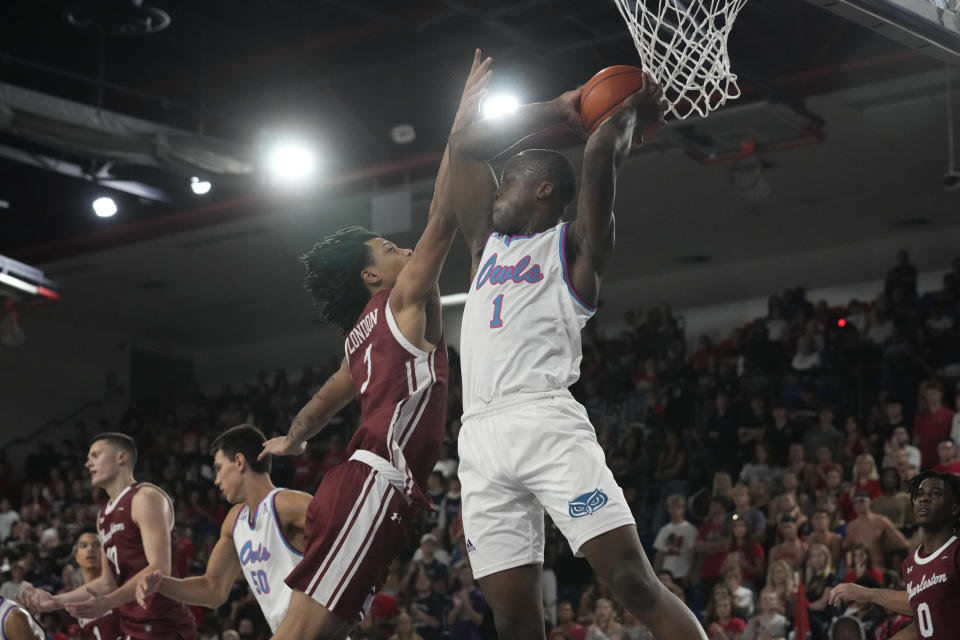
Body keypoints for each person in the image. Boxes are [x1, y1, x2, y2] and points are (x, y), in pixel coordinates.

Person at [447, 58, 701, 640]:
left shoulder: (576, 247)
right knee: (511, 615)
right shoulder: (483, 246)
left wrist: (626, 109)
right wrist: (558, 108)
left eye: (506, 184)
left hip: (543, 421)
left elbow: (598, 151)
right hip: (478, 437)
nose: (494, 197)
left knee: (632, 582)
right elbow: (463, 148)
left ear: (540, 189)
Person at [256, 51, 491, 640]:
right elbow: (441, 214)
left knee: (312, 632)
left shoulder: (360, 336)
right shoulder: (405, 299)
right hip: (375, 483)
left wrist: (297, 436)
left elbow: (323, 401)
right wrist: (460, 126)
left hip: (359, 482)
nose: (402, 250)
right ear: (372, 277)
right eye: (388, 247)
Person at [18, 433, 197, 639]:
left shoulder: (145, 497)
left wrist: (109, 602)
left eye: (95, 455)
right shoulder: (103, 516)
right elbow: (107, 582)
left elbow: (159, 568)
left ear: (122, 457)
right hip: (132, 625)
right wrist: (56, 601)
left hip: (162, 625)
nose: (87, 463)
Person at [135, 425, 311, 633]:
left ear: (239, 461)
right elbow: (212, 590)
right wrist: (162, 584)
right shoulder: (235, 520)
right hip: (284, 630)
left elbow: (347, 530)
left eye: (219, 468)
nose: (216, 480)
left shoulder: (286, 503)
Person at [829, 470, 960, 639]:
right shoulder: (911, 563)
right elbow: (923, 621)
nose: (924, 498)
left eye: (935, 493)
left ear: (955, 508)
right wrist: (867, 593)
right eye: (920, 494)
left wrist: (870, 594)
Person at [72, 527, 121, 640]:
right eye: (84, 546)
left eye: (96, 545)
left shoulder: (120, 587)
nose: (90, 549)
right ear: (77, 557)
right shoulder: (74, 602)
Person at [844, 489, 909, 570]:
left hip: (878, 568)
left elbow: (902, 543)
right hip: (859, 570)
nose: (858, 504)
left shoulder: (881, 521)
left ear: (870, 502)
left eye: (861, 501)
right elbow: (848, 550)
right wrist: (849, 567)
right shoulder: (851, 526)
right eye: (855, 502)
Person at [652, 495, 698, 587]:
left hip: (682, 572)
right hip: (666, 572)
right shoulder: (664, 530)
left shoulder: (690, 529)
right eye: (672, 508)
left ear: (683, 509)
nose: (674, 511)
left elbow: (693, 553)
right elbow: (660, 553)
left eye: (677, 508)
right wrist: (655, 573)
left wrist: (689, 572)